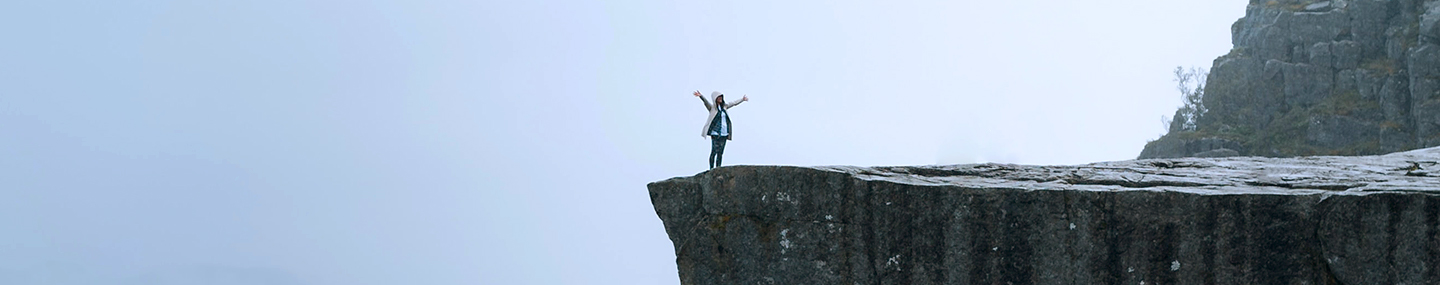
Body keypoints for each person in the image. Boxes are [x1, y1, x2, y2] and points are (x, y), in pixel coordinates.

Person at [694, 90, 748, 169]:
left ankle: (718, 168)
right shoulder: (712, 108)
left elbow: (733, 103)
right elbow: (706, 102)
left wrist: (742, 99)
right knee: (714, 151)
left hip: (724, 133)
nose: (720, 98)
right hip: (715, 132)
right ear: (715, 98)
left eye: (721, 97)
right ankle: (711, 168)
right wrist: (701, 96)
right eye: (718, 97)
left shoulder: (724, 107)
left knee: (720, 152)